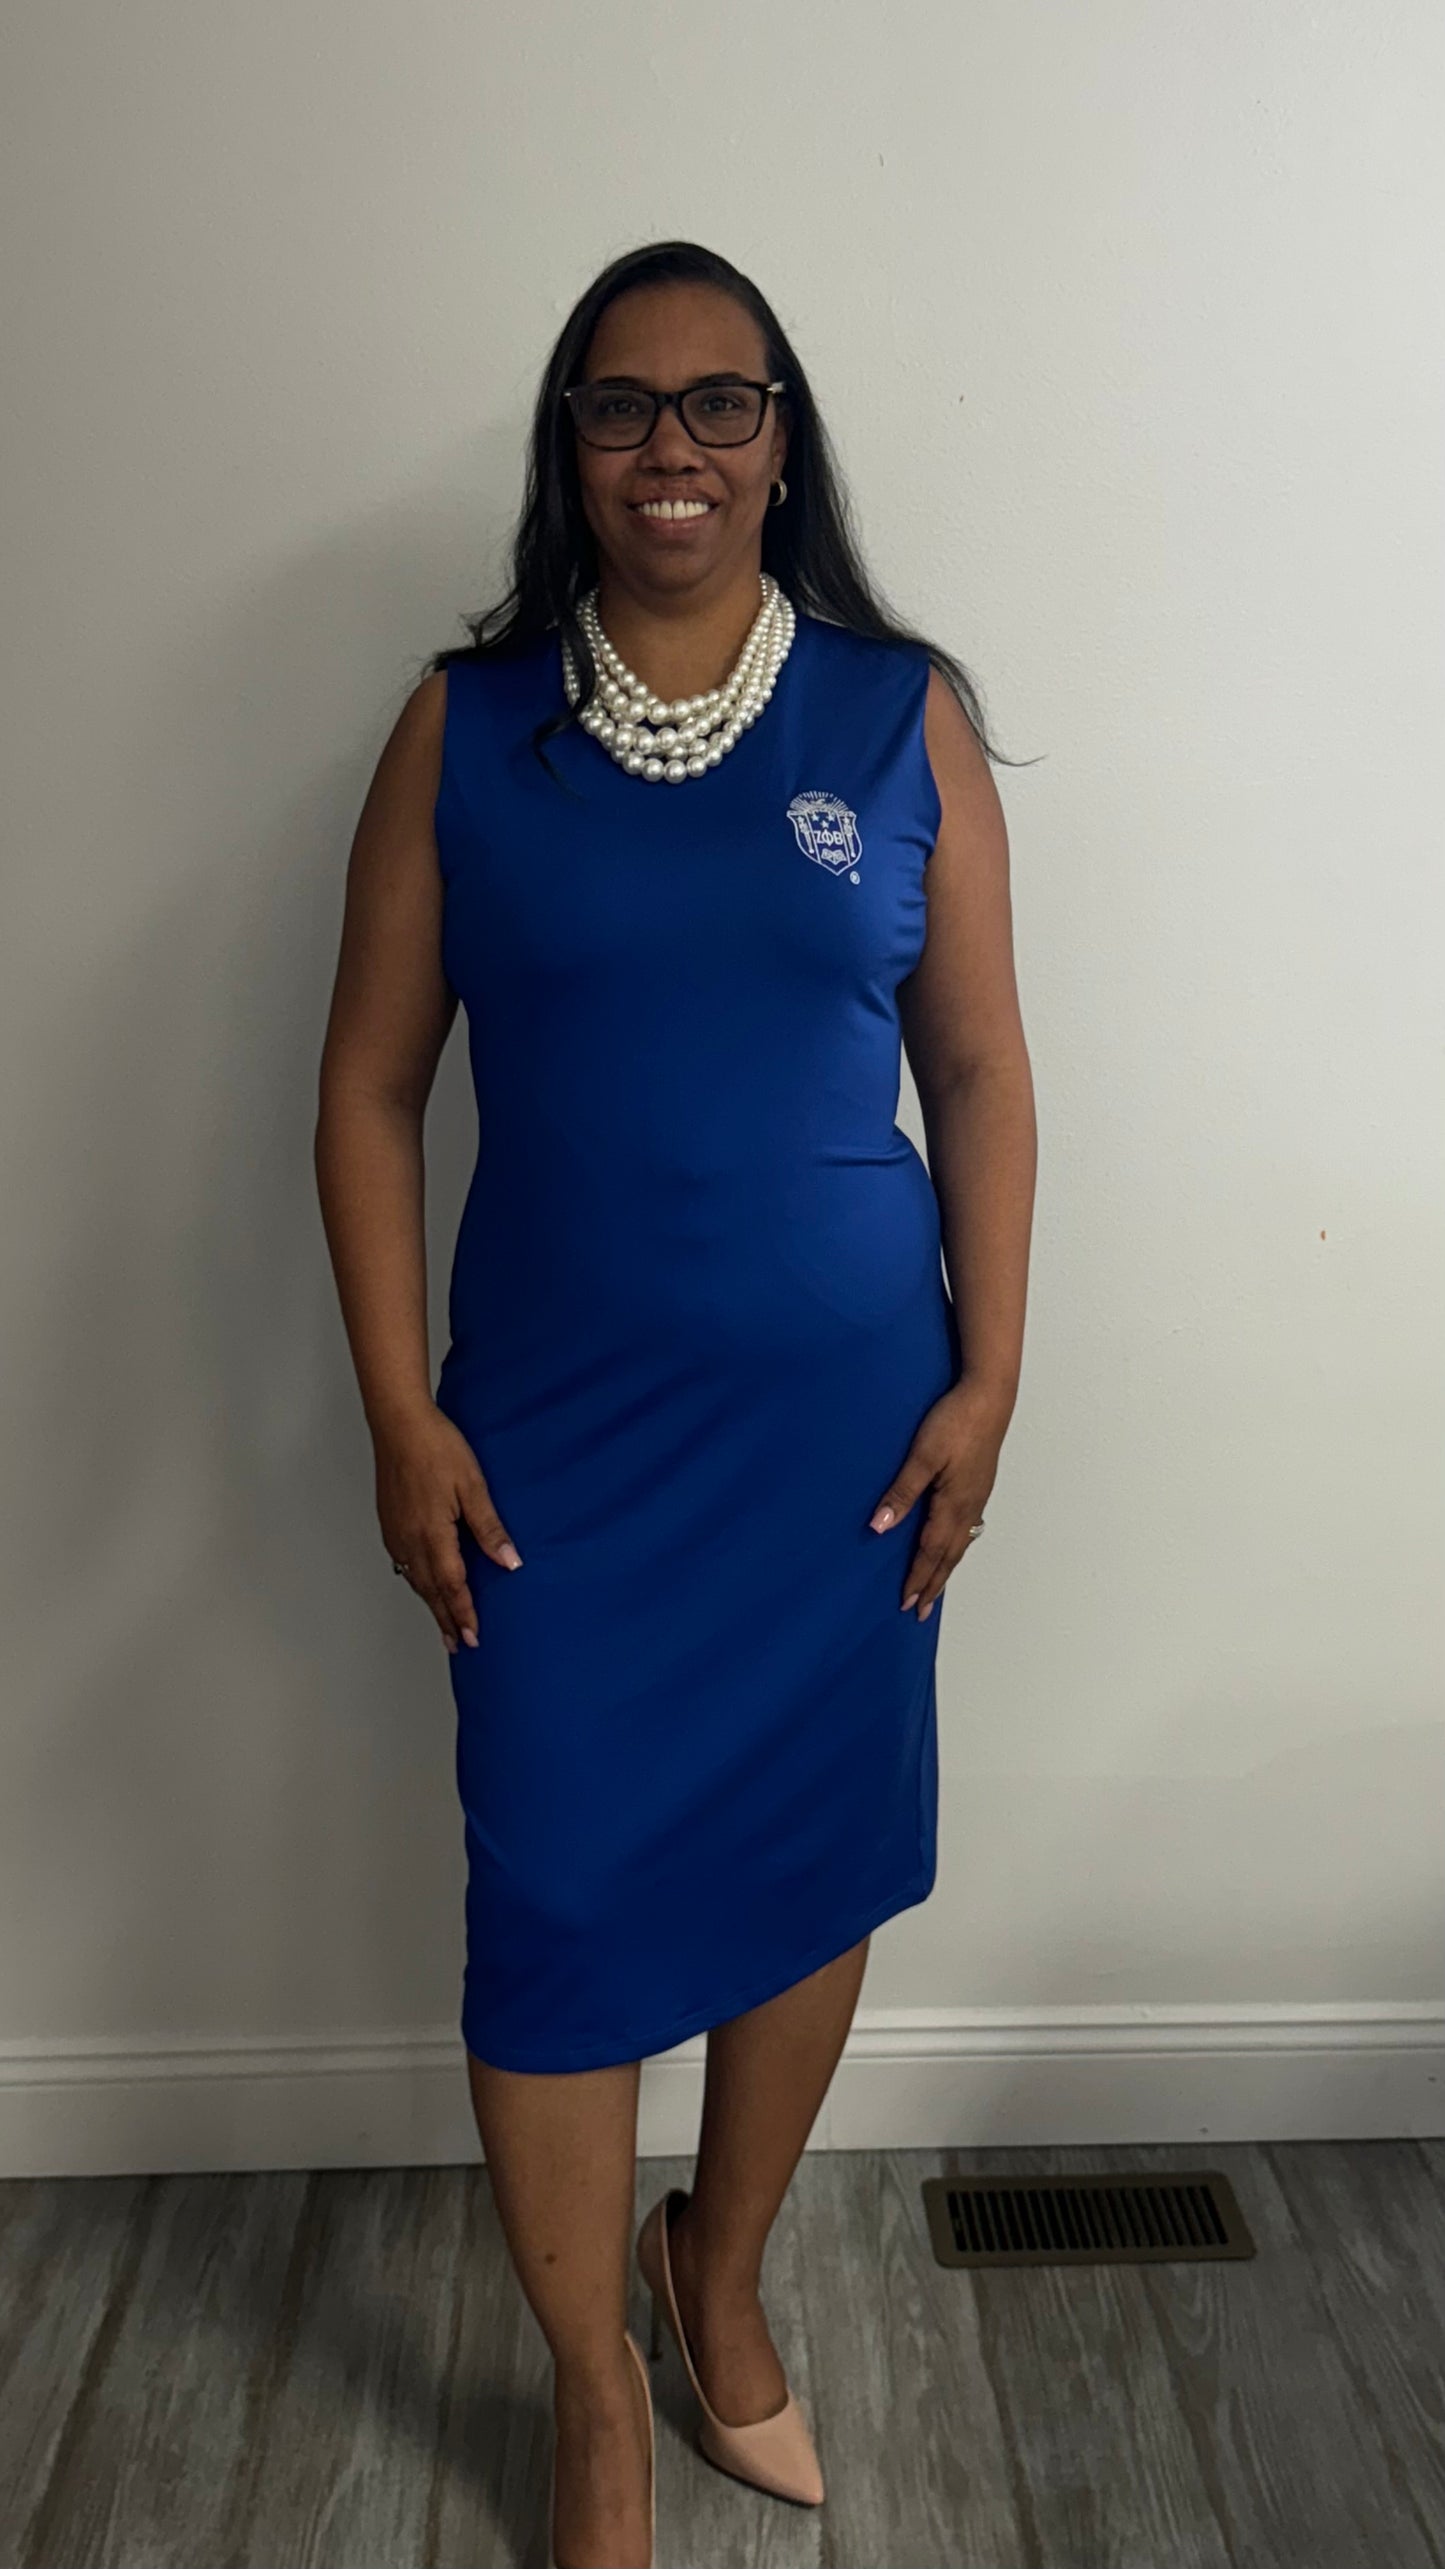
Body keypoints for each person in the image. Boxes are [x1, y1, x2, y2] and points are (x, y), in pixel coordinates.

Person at [314, 236, 1036, 2569]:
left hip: (845, 1454)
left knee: (806, 1863)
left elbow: (980, 1072)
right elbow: (367, 1086)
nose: (674, 448)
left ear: (781, 442)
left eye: (722, 403)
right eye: (623, 405)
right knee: (551, 1890)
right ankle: (595, 2394)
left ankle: (713, 2276)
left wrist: (993, 1375)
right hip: (552, 1456)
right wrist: (397, 1410)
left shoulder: (898, 716)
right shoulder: (466, 732)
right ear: (573, 445)